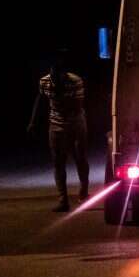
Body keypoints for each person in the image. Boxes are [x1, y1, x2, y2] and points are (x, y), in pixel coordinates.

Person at [28, 48, 89, 212]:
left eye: (59, 76)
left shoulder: (75, 81)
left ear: (65, 73)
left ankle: (84, 190)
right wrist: (33, 122)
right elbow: (40, 100)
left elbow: (77, 106)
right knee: (58, 162)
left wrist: (59, 96)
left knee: (79, 158)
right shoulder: (45, 81)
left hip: (76, 123)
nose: (56, 80)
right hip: (56, 124)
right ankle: (63, 199)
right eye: (53, 75)